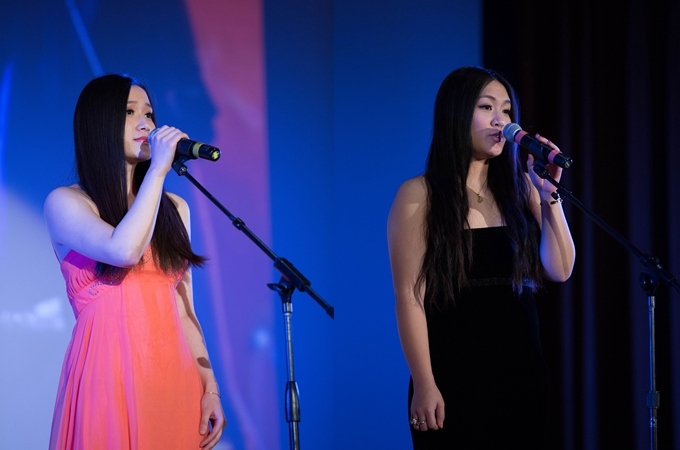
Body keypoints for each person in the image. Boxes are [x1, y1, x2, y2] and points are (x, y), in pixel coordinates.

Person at [388, 66, 575, 448]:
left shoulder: (522, 190)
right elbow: (410, 296)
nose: (501, 121)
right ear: (456, 113)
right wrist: (424, 383)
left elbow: (560, 270)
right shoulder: (420, 194)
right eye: (487, 107)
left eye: (506, 110)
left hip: (521, 375)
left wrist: (550, 196)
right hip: (453, 376)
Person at [44, 74, 226, 449]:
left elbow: (184, 309)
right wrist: (158, 170)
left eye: (149, 113)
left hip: (172, 378)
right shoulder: (67, 203)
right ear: (99, 124)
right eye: (130, 112)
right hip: (106, 379)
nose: (146, 123)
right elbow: (124, 250)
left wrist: (210, 388)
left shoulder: (175, 209)